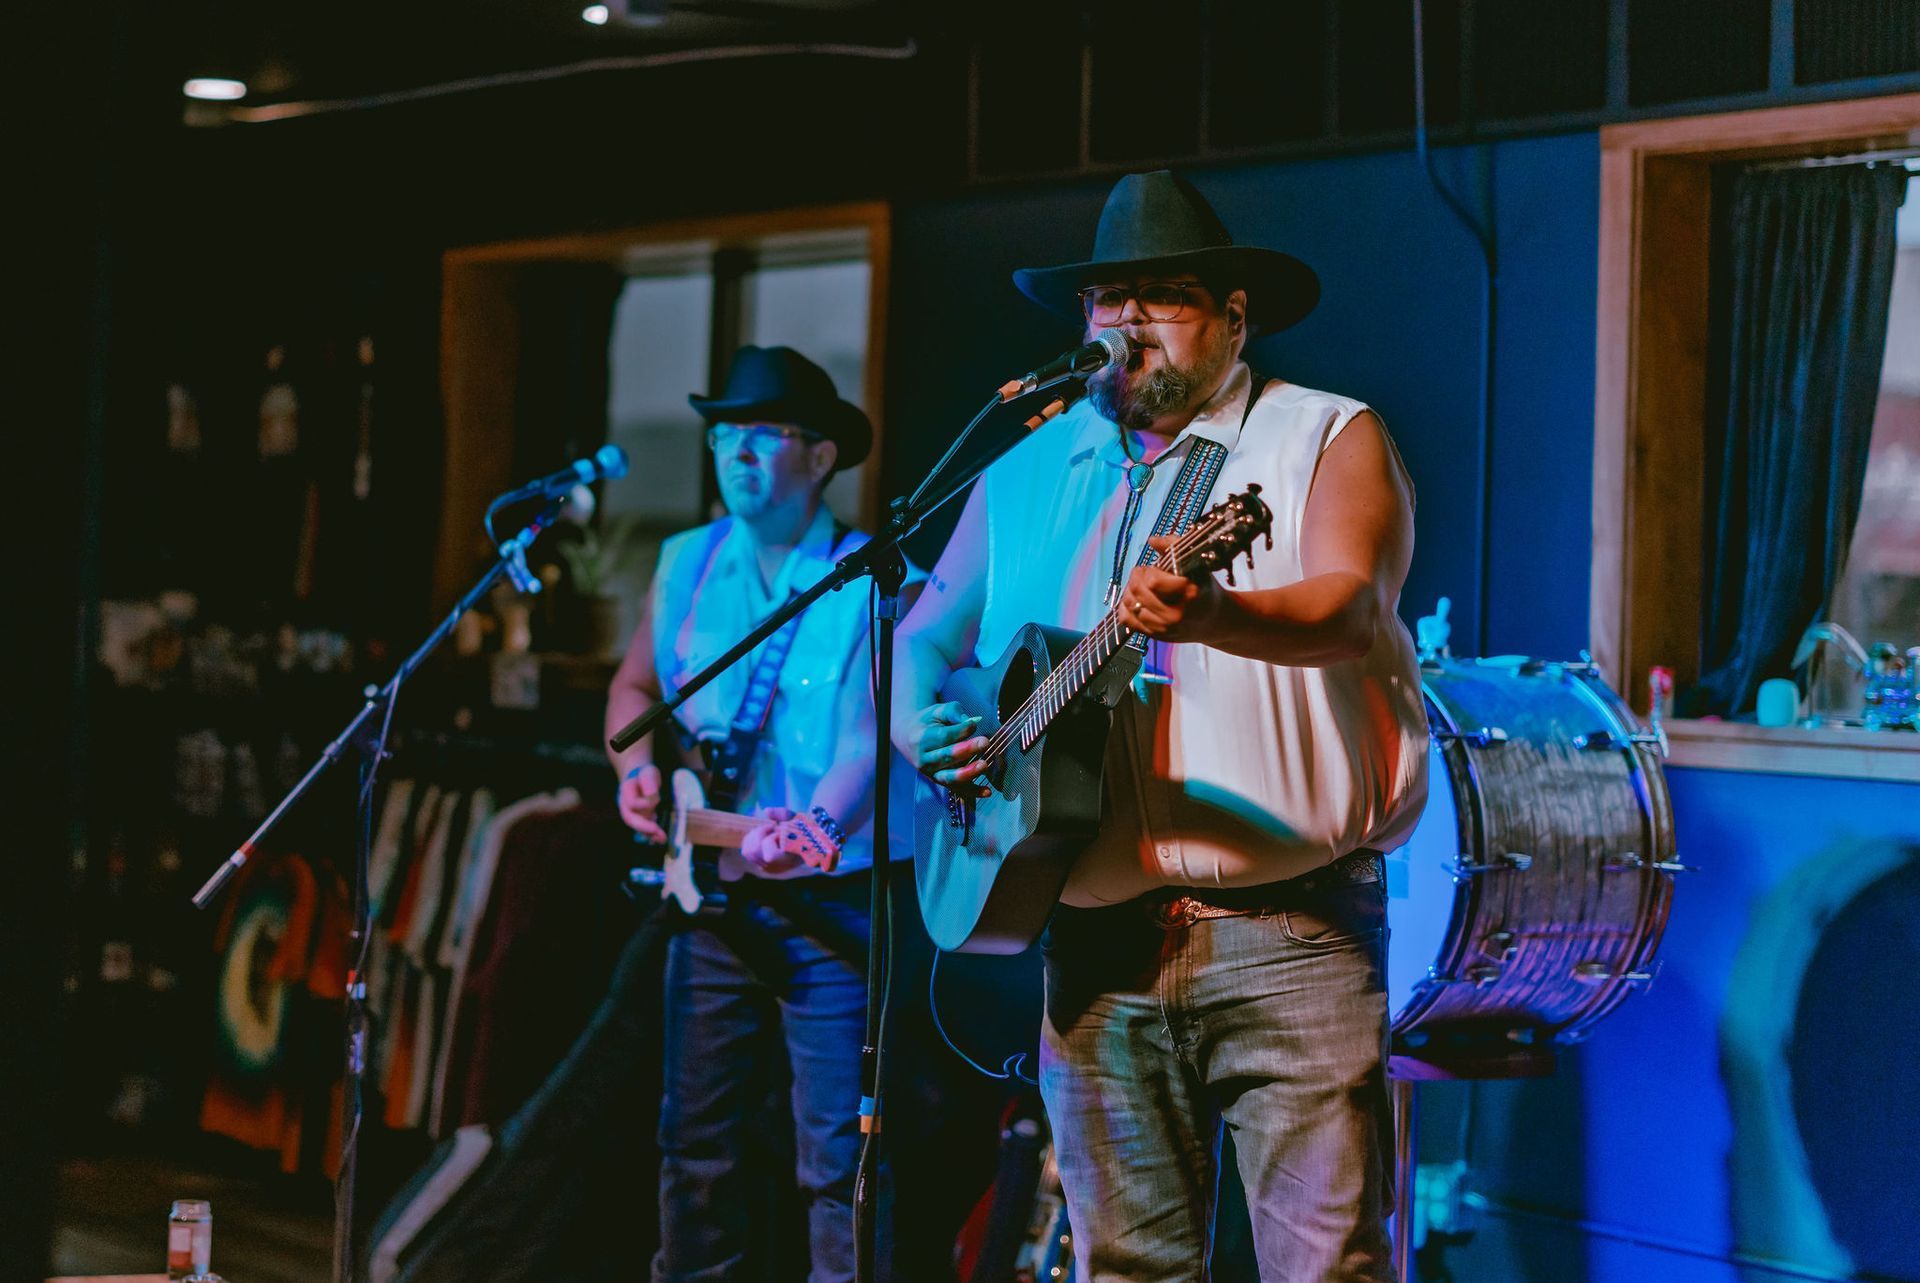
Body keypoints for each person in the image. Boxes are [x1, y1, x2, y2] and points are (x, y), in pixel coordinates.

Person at [892, 170, 1430, 1282]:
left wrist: (1218, 611)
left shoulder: (1323, 435)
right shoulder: (1028, 468)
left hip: (1289, 936)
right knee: (1125, 1269)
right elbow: (920, 635)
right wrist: (921, 728)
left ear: (1236, 318)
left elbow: (1350, 608)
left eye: (1166, 294)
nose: (1126, 320)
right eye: (1106, 299)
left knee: (1326, 1267)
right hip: (1094, 944)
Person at [605, 344, 891, 1281]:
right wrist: (636, 768)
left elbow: (867, 740)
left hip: (827, 905)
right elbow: (635, 685)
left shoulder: (869, 578)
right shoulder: (686, 561)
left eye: (763, 435)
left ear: (820, 457)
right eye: (725, 435)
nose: (737, 454)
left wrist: (815, 825)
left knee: (836, 1159)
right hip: (713, 902)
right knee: (696, 1146)